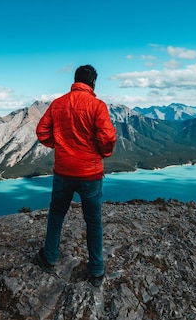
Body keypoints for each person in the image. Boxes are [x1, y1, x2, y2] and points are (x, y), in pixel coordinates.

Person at [35, 64, 117, 287]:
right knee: (93, 221)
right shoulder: (98, 106)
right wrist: (102, 153)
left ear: (75, 80)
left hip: (63, 172)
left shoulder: (58, 103)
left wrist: (59, 146)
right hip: (90, 174)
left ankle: (50, 256)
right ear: (93, 83)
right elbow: (108, 137)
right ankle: (97, 270)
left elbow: (41, 131)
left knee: (57, 213)